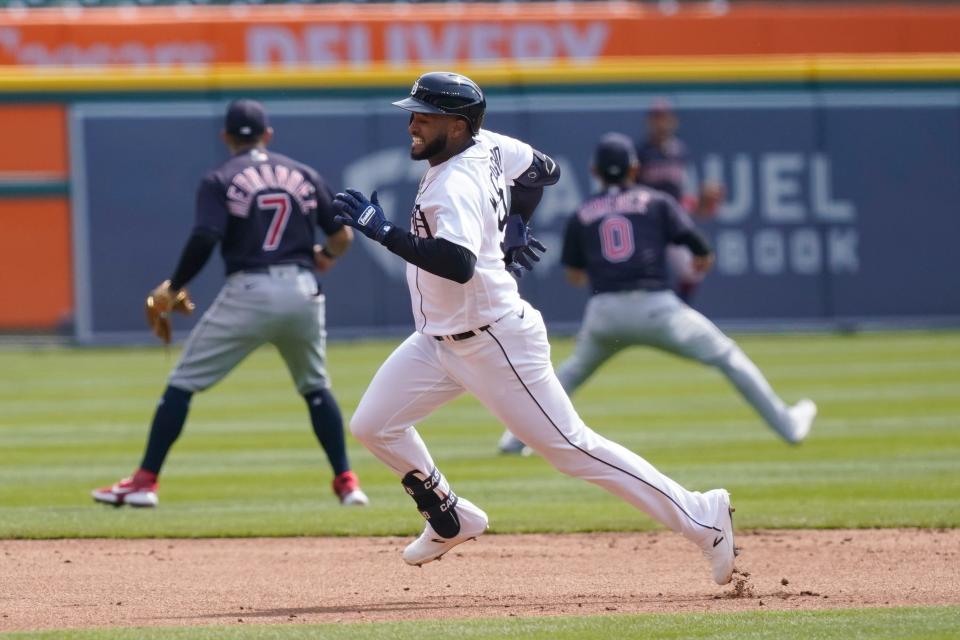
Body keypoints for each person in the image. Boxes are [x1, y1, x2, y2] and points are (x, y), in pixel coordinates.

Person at [331, 72, 737, 585]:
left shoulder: (454, 182)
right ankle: (449, 516)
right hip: (440, 340)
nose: (412, 123)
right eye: (413, 112)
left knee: (573, 449)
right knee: (373, 424)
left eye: (425, 115)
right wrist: (517, 221)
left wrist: (382, 230)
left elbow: (457, 263)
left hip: (492, 338)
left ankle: (703, 516)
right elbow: (542, 170)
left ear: (457, 126)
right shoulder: (487, 145)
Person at [92, 99, 368, 508]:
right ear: (267, 135)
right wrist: (323, 258)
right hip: (302, 290)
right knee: (315, 386)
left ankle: (145, 482)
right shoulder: (304, 173)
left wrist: (176, 285)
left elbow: (206, 236)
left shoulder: (220, 177)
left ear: (225, 137)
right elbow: (342, 236)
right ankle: (347, 483)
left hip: (250, 290)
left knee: (182, 383)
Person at [497, 133, 816, 456]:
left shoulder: (583, 212)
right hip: (656, 308)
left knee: (567, 375)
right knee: (728, 357)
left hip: (605, 311)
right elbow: (700, 251)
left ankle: (514, 440)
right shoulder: (657, 201)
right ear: (635, 169)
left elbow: (576, 275)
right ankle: (788, 426)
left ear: (594, 171)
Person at [635, 98, 724, 303]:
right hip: (647, 222)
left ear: (673, 121)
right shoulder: (641, 152)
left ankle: (681, 309)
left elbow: (682, 194)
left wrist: (698, 202)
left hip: (672, 220)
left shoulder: (679, 151)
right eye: (656, 118)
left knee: (692, 272)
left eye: (664, 118)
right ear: (649, 122)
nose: (660, 123)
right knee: (644, 275)